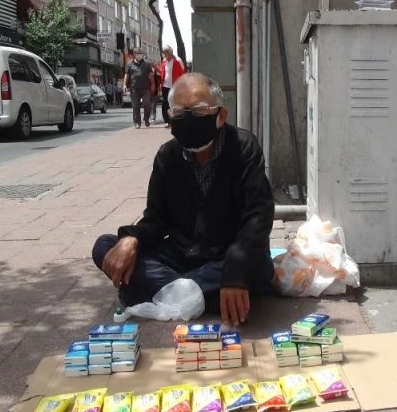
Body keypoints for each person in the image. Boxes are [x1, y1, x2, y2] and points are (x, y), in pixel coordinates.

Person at [92, 72, 275, 326]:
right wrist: (131, 239)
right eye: (179, 112)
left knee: (256, 267)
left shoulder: (243, 147)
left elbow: (258, 216)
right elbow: (156, 221)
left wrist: (234, 272)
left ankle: (163, 293)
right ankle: (198, 294)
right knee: (106, 246)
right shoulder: (167, 156)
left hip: (229, 257)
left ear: (220, 116)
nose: (188, 119)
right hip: (184, 256)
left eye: (199, 111)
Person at [123, 48, 154, 128]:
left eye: (141, 53)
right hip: (134, 88)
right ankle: (137, 123)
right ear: (134, 54)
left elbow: (151, 74)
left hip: (145, 88)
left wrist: (153, 84)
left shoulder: (147, 63)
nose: (140, 55)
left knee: (147, 104)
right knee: (135, 106)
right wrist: (124, 85)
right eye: (138, 53)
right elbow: (127, 75)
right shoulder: (129, 64)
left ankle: (146, 119)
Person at [158, 45, 186, 128]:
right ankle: (167, 121)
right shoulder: (164, 61)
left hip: (175, 86)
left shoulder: (178, 60)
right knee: (165, 103)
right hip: (165, 86)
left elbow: (183, 72)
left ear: (170, 53)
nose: (164, 55)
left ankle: (176, 120)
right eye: (164, 53)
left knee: (175, 104)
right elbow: (161, 72)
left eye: (165, 53)